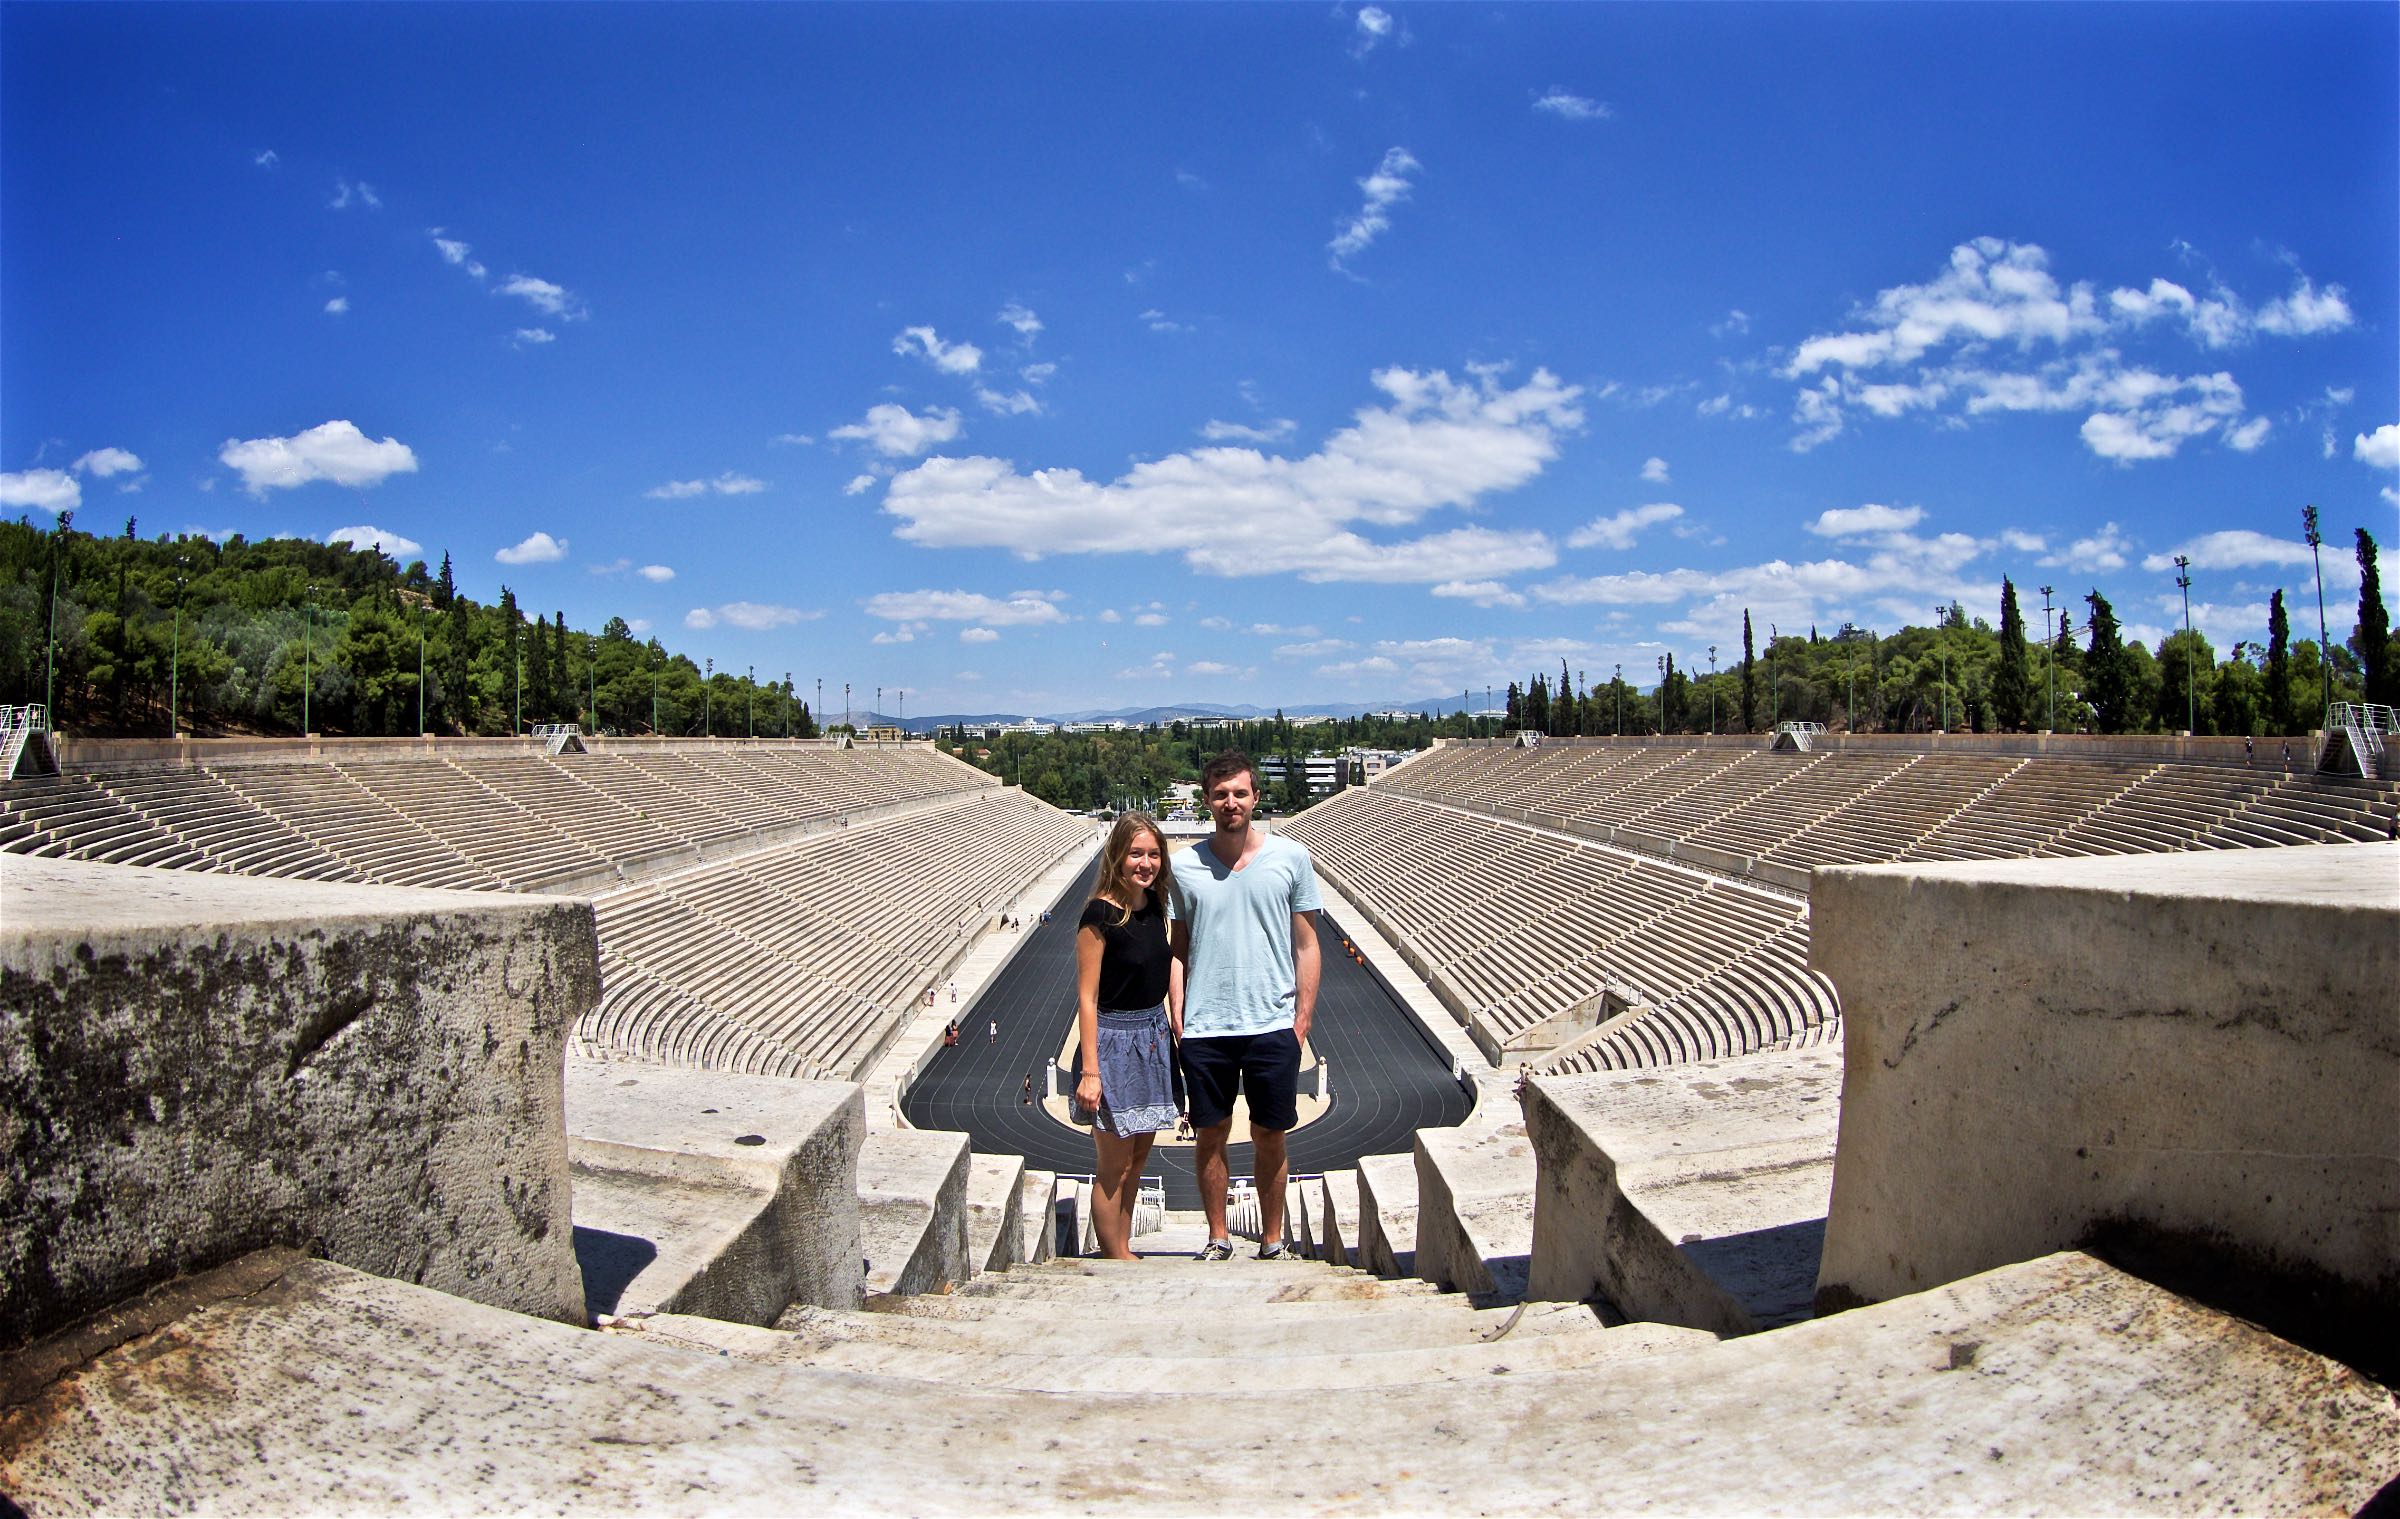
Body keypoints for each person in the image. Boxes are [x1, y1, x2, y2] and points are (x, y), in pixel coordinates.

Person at [1169, 751, 1321, 1262]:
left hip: (1272, 1023)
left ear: (1256, 797)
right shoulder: (1184, 866)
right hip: (1206, 1025)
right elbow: (1178, 946)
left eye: (1239, 793)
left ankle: (1273, 1238)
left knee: (1269, 1135)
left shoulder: (1291, 859)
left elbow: (1306, 944)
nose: (1230, 802)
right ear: (1207, 799)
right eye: (1220, 794)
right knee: (1210, 1135)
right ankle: (1218, 1235)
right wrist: (1178, 1012)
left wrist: (1301, 1020)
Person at [1074, 812, 1182, 1260]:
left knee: (1138, 1160)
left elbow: (1167, 965)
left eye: (1153, 854)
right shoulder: (1099, 913)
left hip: (1152, 1038)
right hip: (1115, 1044)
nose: (1146, 863)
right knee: (1113, 1167)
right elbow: (1086, 997)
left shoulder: (1154, 905)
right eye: (1136, 853)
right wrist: (1091, 1072)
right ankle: (1115, 1257)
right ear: (1117, 855)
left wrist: (1177, 1019)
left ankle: (1123, 1246)